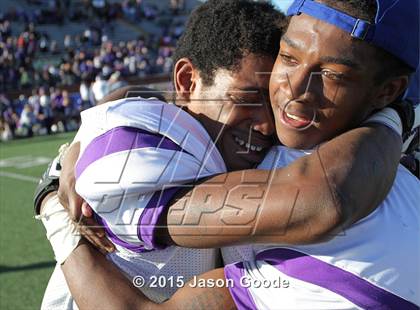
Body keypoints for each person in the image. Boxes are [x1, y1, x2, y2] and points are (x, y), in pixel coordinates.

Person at [36, 0, 415, 309]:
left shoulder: (308, 165)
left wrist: (54, 201)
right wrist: (60, 197)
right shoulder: (135, 151)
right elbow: (322, 199)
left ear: (386, 90)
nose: (289, 96)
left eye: (333, 75)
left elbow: (324, 197)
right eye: (290, 58)